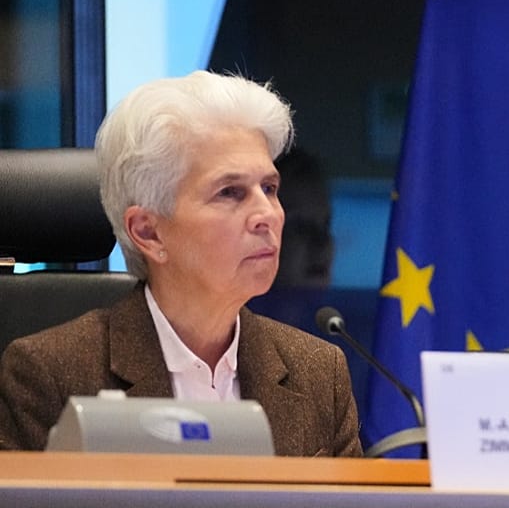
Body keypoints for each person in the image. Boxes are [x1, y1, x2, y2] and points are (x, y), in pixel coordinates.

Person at [0, 71, 362, 456]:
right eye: (230, 192)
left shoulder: (320, 375)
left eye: (269, 189)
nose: (267, 214)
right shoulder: (48, 375)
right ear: (149, 233)